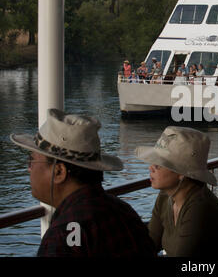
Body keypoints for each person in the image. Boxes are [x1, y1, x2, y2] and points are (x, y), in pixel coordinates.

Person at [9, 109, 156, 257]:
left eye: (31, 160)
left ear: (59, 172)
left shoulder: (63, 235)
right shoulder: (123, 211)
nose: (29, 169)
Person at [136, 126, 218, 257]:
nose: (150, 168)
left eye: (158, 165)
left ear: (182, 173)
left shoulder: (199, 207)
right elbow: (149, 244)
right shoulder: (166, 195)